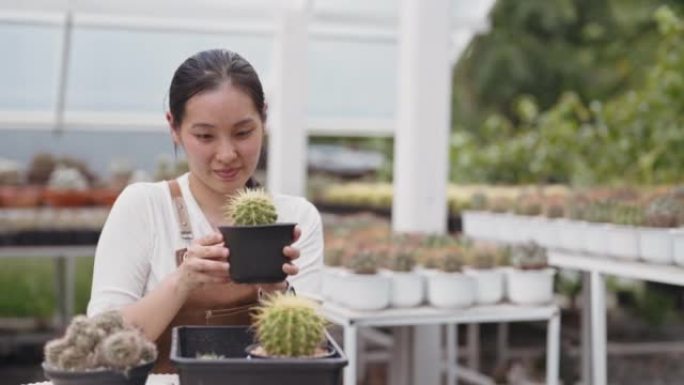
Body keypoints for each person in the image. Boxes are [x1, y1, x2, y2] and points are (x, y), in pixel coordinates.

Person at [87, 49, 323, 372]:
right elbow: (97, 346)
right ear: (174, 127)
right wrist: (181, 281)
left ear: (264, 119)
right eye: (205, 136)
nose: (227, 154)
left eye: (243, 133)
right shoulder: (144, 207)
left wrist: (276, 290)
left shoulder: (297, 218)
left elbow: (312, 357)